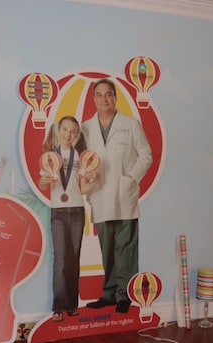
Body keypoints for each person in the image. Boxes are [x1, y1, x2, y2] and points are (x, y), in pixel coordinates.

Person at [81, 78, 153, 314]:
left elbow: (146, 155)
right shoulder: (86, 128)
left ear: (115, 97)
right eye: (99, 95)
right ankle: (108, 294)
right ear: (93, 99)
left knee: (126, 248)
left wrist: (131, 178)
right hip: (99, 194)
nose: (104, 99)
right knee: (107, 246)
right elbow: (81, 162)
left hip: (124, 194)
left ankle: (125, 295)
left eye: (109, 94)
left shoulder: (130, 124)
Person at [38, 116, 97, 322]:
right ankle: (58, 307)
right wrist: (43, 181)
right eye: (65, 129)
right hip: (58, 213)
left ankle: (72, 305)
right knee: (61, 259)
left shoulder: (80, 157)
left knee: (74, 258)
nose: (68, 134)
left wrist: (93, 180)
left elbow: (82, 189)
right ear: (58, 131)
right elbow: (43, 184)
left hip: (78, 211)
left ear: (76, 134)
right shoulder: (49, 156)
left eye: (72, 131)